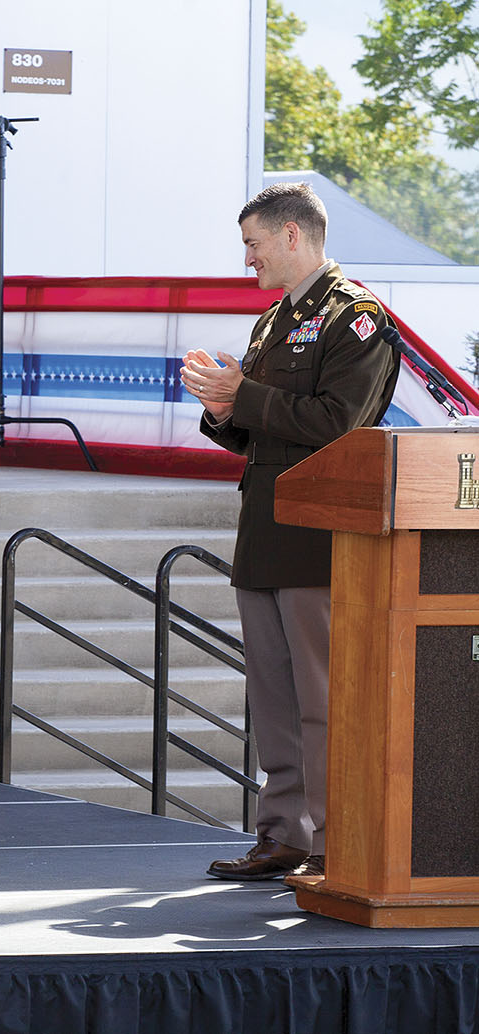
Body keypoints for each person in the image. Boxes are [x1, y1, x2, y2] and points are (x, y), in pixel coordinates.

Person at [181, 182, 398, 881]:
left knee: (322, 701)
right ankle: (284, 834)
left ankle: (338, 845)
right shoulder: (272, 321)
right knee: (274, 700)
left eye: (254, 243)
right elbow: (261, 433)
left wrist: (242, 393)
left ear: (293, 235)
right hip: (267, 530)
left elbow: (340, 423)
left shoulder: (356, 318)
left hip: (320, 537)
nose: (248, 258)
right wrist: (223, 409)